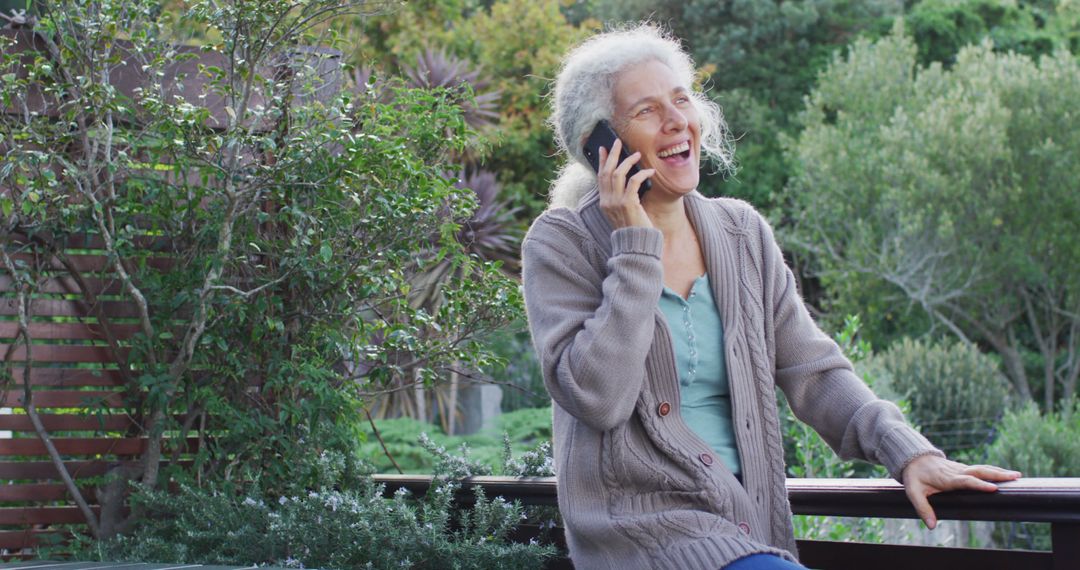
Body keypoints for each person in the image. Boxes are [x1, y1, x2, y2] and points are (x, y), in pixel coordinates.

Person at [520, 24, 1020, 570]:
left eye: (681, 99)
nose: (676, 121)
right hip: (640, 533)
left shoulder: (741, 232)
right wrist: (635, 246)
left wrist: (906, 451)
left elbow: (814, 371)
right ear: (602, 146)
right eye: (645, 111)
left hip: (750, 530)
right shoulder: (561, 243)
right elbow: (597, 396)